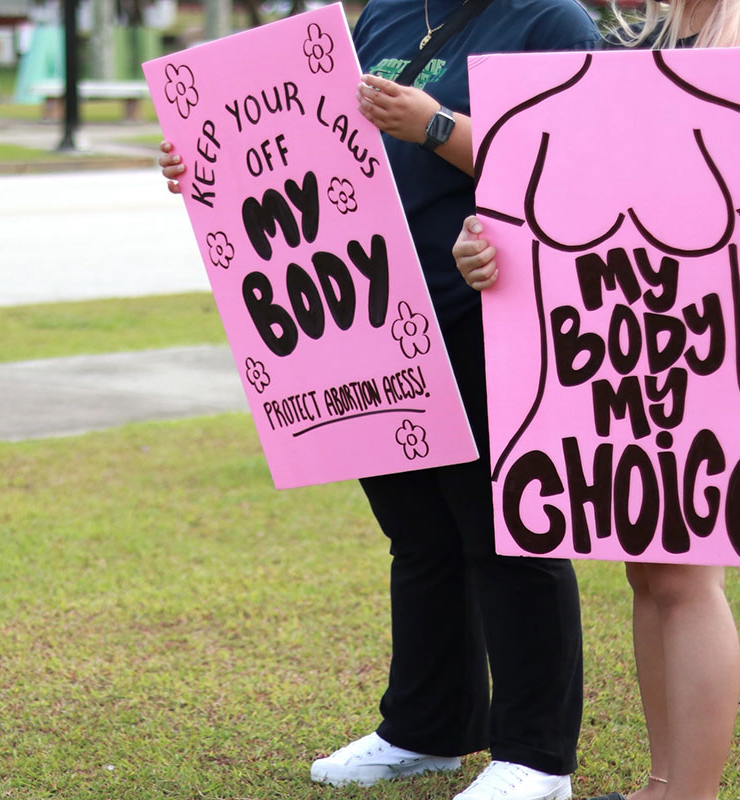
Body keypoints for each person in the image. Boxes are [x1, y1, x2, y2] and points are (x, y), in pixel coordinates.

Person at [159, 2, 601, 798]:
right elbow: (310, 141)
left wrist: (439, 128)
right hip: (375, 317)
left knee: (509, 537)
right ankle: (427, 730)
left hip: (489, 312)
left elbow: (578, 167)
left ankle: (535, 759)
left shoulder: (552, 20)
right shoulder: (390, 15)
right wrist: (209, 168)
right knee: (419, 534)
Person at [452, 0, 740, 797]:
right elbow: (546, 188)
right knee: (647, 572)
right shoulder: (619, 49)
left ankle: (689, 792)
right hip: (614, 342)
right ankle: (664, 782)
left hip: (723, 347)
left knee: (686, 577)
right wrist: (483, 242)